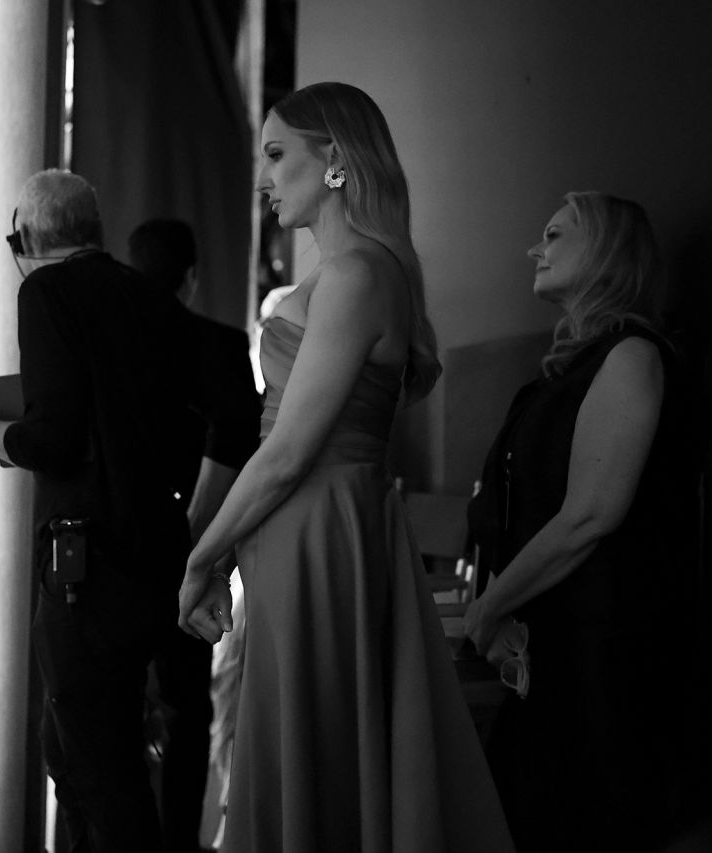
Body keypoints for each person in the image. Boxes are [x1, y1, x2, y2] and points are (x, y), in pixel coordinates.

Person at [175, 82, 516, 853]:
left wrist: (201, 555)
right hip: (308, 529)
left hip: (317, 529)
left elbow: (289, 450)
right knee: (302, 734)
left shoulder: (360, 274)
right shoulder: (351, 274)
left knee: (311, 740)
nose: (262, 179)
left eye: (276, 155)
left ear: (333, 160)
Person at [0, 170, 251, 853]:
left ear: (27, 237)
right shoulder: (150, 299)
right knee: (90, 757)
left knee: (94, 769)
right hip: (157, 558)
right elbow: (229, 416)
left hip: (85, 567)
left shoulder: (46, 290)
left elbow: (52, 439)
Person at [463, 192, 695, 852]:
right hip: (557, 653)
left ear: (604, 252)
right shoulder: (571, 370)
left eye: (554, 234)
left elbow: (592, 513)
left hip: (605, 664)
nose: (535, 249)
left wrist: (490, 606)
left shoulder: (632, 356)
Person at [126, 217, 261, 853]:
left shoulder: (111, 347)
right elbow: (242, 439)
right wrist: (198, 538)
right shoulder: (220, 343)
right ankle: (178, 840)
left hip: (118, 546)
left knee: (116, 704)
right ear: (192, 277)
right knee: (186, 705)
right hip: (192, 547)